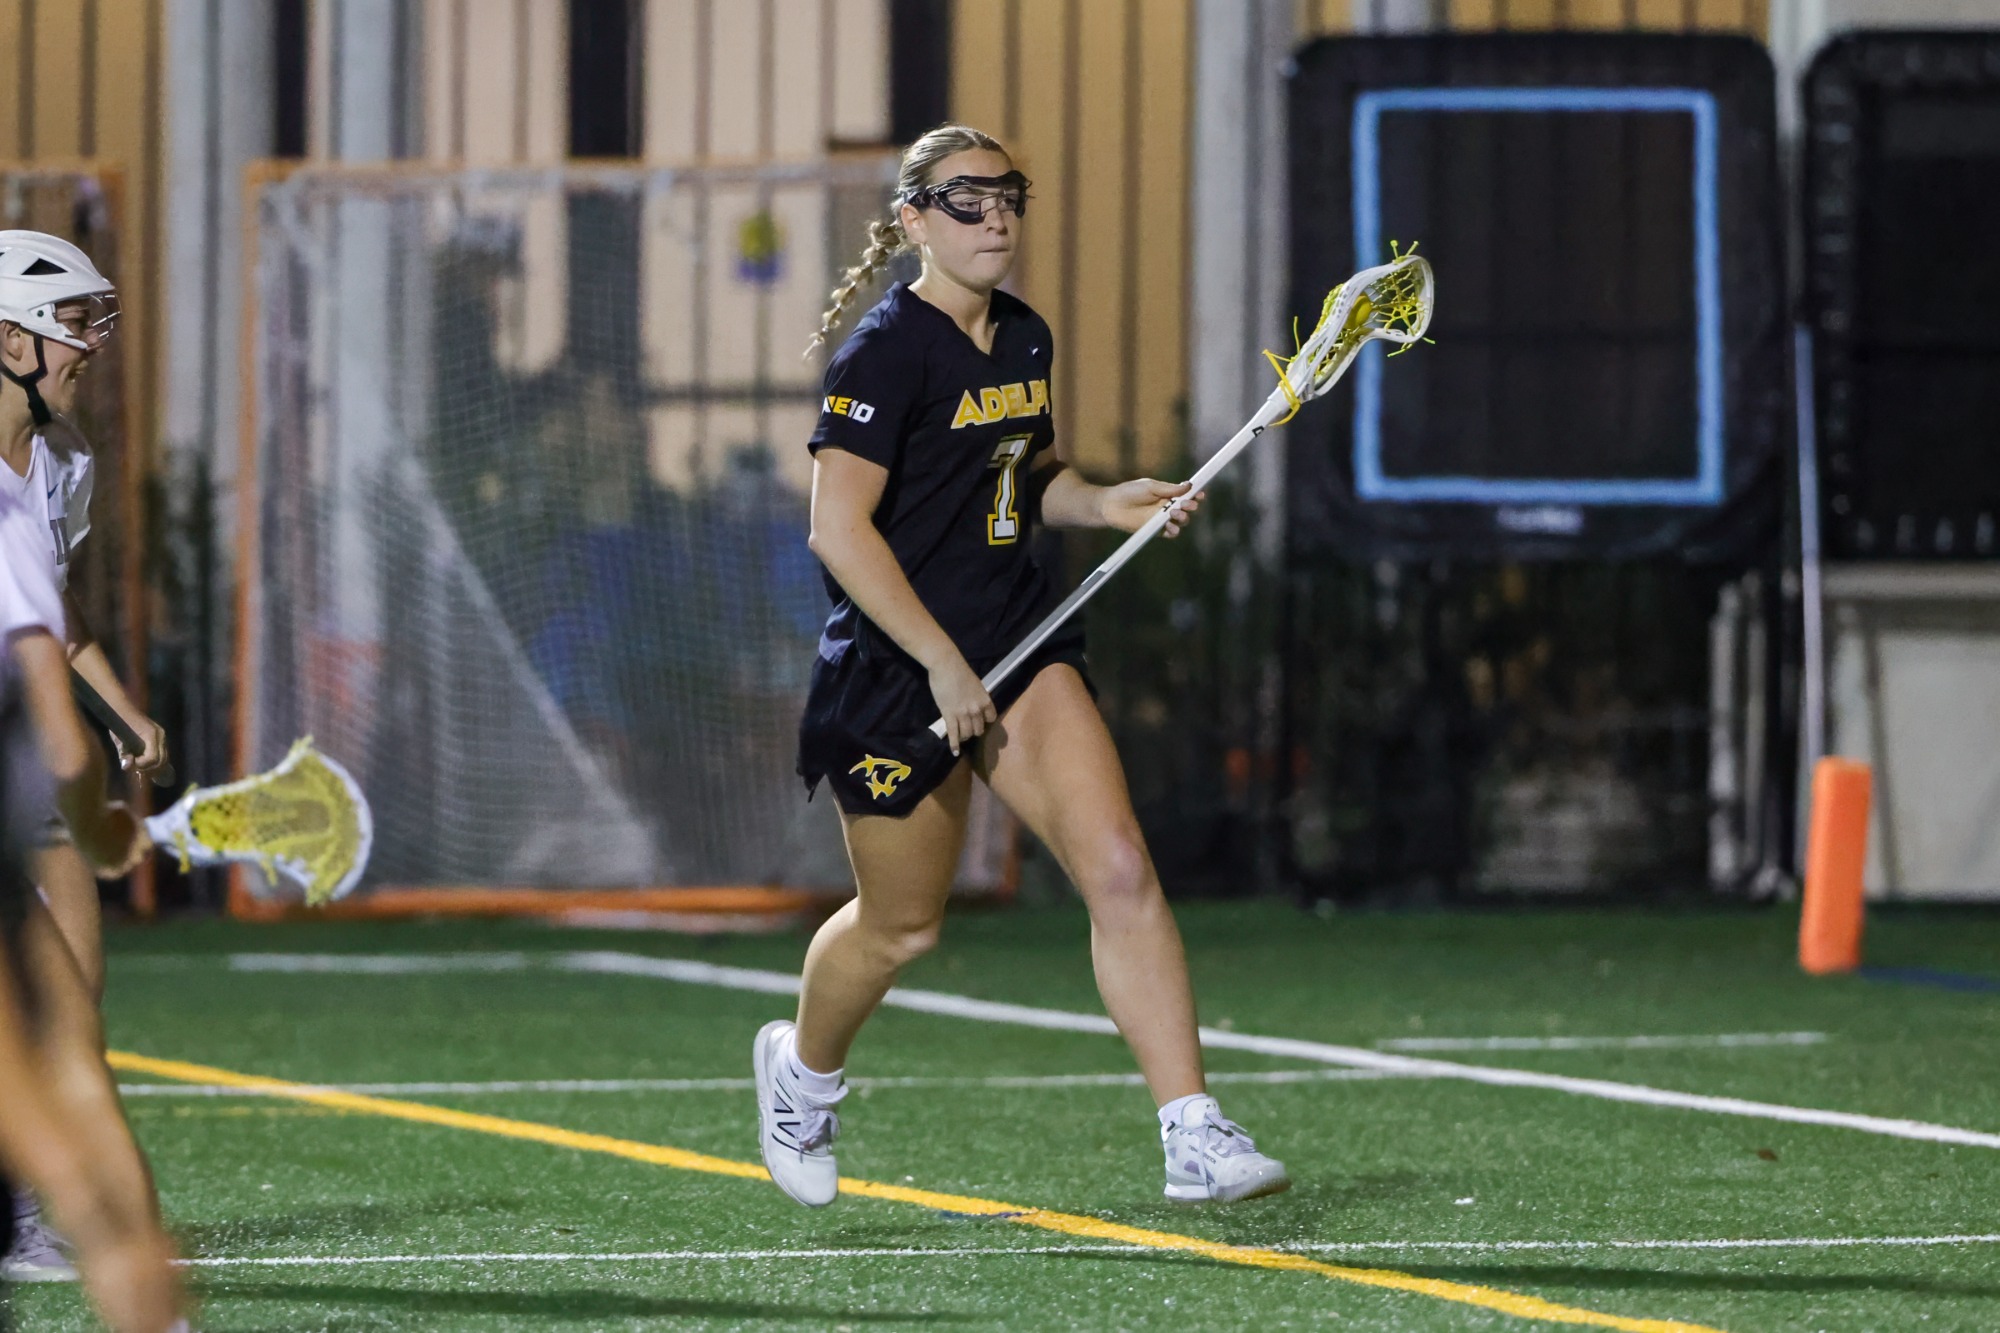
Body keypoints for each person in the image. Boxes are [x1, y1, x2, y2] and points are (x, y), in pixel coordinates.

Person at [753, 125, 1288, 1208]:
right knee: (903, 924)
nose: (993, 215)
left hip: (1021, 639)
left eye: (1007, 196)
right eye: (964, 200)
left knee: (1120, 870)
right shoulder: (882, 351)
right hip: (901, 670)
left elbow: (1019, 478)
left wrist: (1102, 499)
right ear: (911, 221)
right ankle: (800, 1074)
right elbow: (838, 530)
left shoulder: (1024, 338)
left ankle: (1191, 1130)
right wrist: (945, 666)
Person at [0, 251, 184, 1327]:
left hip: (20, 756)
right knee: (63, 1053)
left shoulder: (54, 472)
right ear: (10, 339)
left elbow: (51, 631)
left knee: (76, 1015)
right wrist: (105, 822)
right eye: (72, 323)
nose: (92, 346)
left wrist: (121, 711)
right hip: (30, 762)